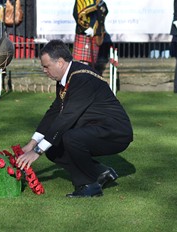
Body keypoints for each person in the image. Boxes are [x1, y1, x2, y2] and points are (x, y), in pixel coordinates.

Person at [16, 40, 133, 198]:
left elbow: (67, 117)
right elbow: (54, 112)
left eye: (46, 66)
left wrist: (37, 152)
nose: (44, 70)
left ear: (60, 62)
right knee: (54, 149)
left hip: (115, 131)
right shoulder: (67, 78)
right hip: (97, 127)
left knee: (71, 137)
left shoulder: (81, 78)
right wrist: (32, 143)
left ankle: (88, 185)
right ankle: (101, 172)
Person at [72, 0, 108, 68]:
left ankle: (89, 76)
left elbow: (104, 11)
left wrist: (99, 29)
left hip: (95, 33)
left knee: (92, 61)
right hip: (84, 33)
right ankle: (82, 77)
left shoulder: (100, 1)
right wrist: (85, 29)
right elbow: (77, 14)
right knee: (82, 62)